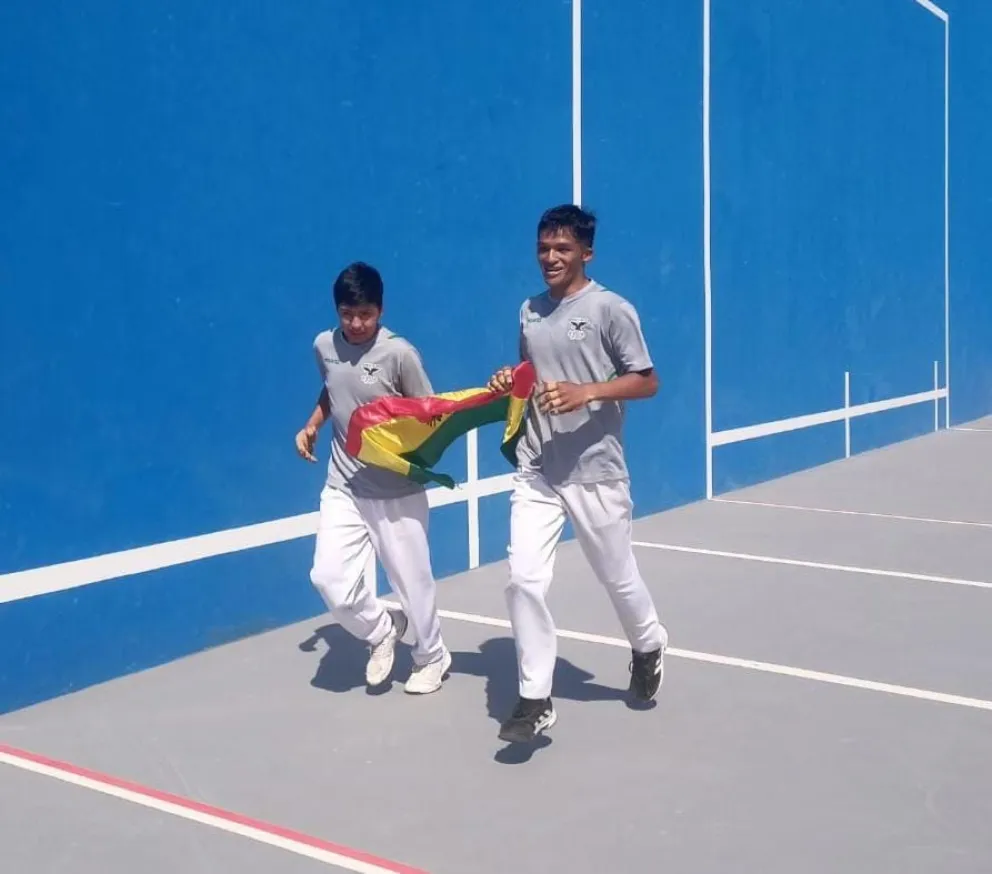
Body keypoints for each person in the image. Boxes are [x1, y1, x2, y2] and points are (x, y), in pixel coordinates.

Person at [488, 204, 669, 743]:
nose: (550, 257)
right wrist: (510, 378)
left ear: (586, 253)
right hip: (538, 467)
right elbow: (531, 370)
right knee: (523, 580)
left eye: (562, 249)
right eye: (544, 247)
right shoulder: (529, 310)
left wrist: (587, 391)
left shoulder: (611, 309)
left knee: (617, 576)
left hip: (596, 471)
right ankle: (535, 699)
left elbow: (648, 381)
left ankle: (648, 643)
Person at [296, 261, 451, 694]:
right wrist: (311, 424)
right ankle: (382, 630)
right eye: (347, 314)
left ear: (380, 310)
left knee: (412, 584)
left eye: (365, 314)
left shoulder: (400, 354)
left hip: (396, 490)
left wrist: (404, 448)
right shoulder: (324, 345)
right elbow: (333, 388)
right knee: (328, 578)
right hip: (343, 485)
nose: (356, 323)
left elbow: (430, 413)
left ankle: (432, 656)